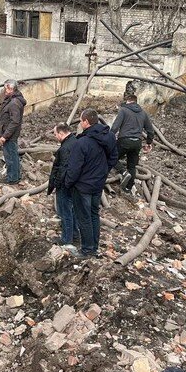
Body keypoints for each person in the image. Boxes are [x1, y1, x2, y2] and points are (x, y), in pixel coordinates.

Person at [63, 108, 118, 259]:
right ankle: (94, 247)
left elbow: (74, 168)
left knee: (84, 217)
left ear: (86, 122)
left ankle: (87, 250)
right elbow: (114, 157)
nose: (80, 123)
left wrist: (68, 184)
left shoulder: (82, 142)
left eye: (81, 121)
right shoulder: (109, 137)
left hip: (83, 186)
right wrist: (103, 172)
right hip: (98, 184)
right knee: (94, 215)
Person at [111, 88, 155, 197]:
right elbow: (150, 130)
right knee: (132, 165)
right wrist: (149, 142)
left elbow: (115, 127)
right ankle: (128, 188)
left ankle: (123, 172)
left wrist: (109, 138)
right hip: (137, 143)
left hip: (124, 140)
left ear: (128, 101)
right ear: (136, 102)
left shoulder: (123, 110)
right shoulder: (143, 113)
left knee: (111, 157)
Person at [47, 122, 77, 249]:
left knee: (65, 211)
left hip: (65, 184)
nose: (55, 137)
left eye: (55, 134)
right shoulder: (76, 142)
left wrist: (56, 184)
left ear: (61, 133)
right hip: (75, 183)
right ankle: (75, 234)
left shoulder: (64, 149)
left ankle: (66, 239)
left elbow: (62, 168)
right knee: (73, 210)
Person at [0, 80, 26, 184]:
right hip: (9, 133)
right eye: (5, 88)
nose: (5, 90)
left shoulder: (14, 103)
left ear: (12, 89)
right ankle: (15, 176)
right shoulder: (11, 99)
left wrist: (4, 136)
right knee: (13, 155)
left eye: (7, 88)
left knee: (10, 157)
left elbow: (14, 122)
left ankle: (12, 179)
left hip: (10, 135)